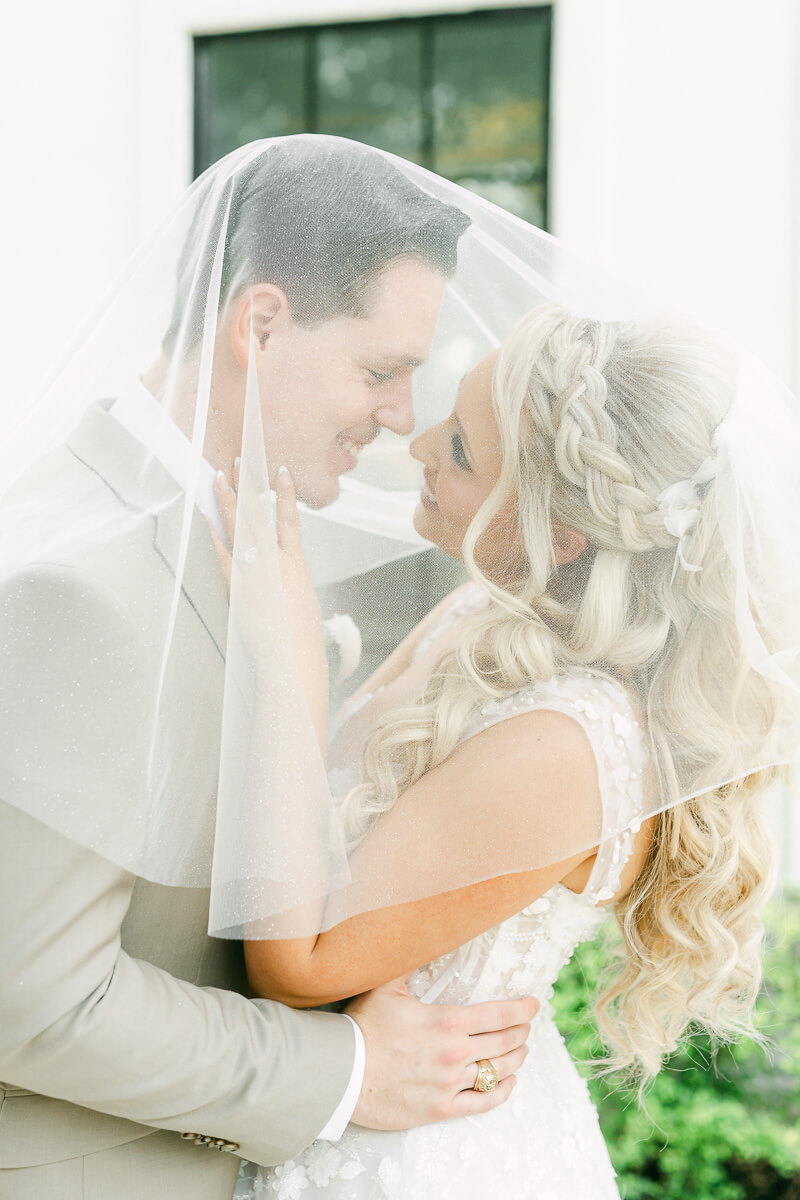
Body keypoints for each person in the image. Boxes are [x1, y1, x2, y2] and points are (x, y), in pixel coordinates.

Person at [0, 138, 537, 1200]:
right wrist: (345, 1071)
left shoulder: (255, 533)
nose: (398, 417)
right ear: (259, 322)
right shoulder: (84, 591)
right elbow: (33, 995)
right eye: (381, 371)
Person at [215, 301, 792, 1199]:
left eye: (458, 449)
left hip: (421, 1159)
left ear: (561, 535)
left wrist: (289, 673)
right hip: (341, 1111)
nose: (415, 444)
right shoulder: (481, 616)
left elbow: (301, 966)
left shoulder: (569, 742)